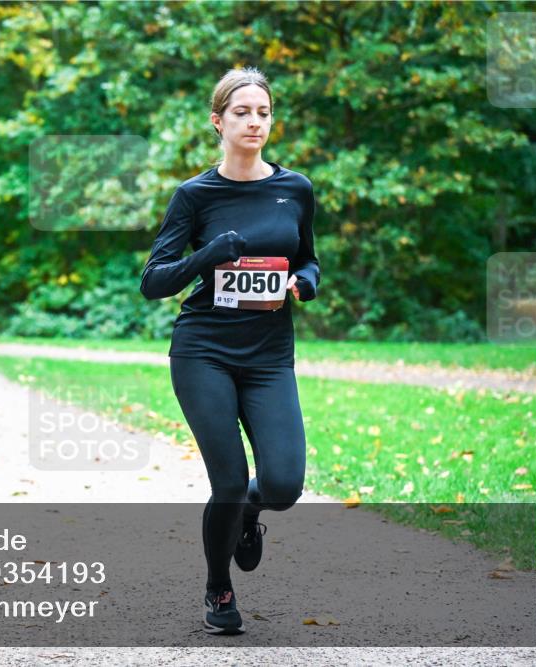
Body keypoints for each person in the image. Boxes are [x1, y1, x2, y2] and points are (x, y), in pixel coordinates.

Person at [140, 67, 320, 635]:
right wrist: (208, 255)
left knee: (285, 484)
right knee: (226, 478)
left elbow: (308, 258)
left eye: (263, 112)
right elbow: (155, 280)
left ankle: (250, 513)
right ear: (218, 121)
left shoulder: (295, 189)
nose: (254, 122)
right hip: (204, 352)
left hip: (269, 356)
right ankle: (219, 586)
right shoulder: (195, 195)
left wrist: (306, 282)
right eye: (242, 112)